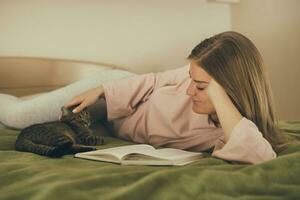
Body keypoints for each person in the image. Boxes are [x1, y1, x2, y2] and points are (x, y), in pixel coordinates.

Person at [63, 31, 287, 164]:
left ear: (228, 90)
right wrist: (101, 89)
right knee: (42, 114)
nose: (190, 91)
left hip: (112, 129)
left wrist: (218, 94)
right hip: (115, 97)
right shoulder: (187, 79)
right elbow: (152, 81)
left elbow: (260, 157)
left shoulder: (229, 130)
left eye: (200, 86)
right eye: (191, 79)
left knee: (60, 130)